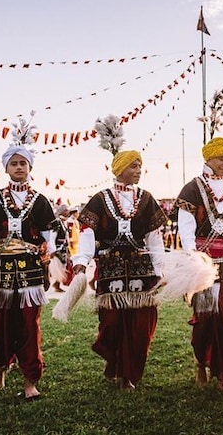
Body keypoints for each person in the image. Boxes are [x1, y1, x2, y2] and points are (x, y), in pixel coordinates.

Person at [0, 133, 58, 400]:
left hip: (30, 273)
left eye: (23, 163)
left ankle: (30, 379)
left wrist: (46, 255)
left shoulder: (40, 201)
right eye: (14, 163)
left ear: (30, 168)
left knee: (30, 324)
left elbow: (49, 236)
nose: (19, 167)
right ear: (5, 168)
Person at [71, 145, 167, 391]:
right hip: (110, 267)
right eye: (134, 166)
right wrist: (82, 261)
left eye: (139, 166)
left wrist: (161, 269)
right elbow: (87, 233)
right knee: (112, 324)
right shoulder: (100, 199)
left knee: (141, 326)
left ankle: (128, 374)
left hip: (141, 270)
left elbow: (155, 237)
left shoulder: (146, 199)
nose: (138, 171)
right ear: (120, 169)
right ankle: (114, 360)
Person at [175, 136, 223, 396]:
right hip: (204, 266)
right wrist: (194, 262)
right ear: (208, 158)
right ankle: (201, 361)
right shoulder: (191, 189)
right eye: (222, 158)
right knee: (205, 322)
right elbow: (186, 230)